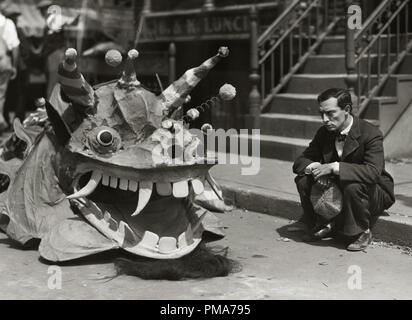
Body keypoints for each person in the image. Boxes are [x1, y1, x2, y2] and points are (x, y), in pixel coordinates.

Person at [292, 88, 395, 251]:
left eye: (331, 113)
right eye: (322, 114)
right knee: (304, 179)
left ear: (346, 110)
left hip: (374, 192)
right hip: (340, 185)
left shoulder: (370, 133)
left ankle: (362, 232)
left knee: (353, 185)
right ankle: (321, 223)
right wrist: (316, 168)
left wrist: (333, 167)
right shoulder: (324, 132)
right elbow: (301, 161)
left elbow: (372, 173)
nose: (325, 120)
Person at [0, 4, 20, 132]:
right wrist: (14, 66)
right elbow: (15, 46)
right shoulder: (7, 23)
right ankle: (1, 123)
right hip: (3, 61)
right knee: (1, 95)